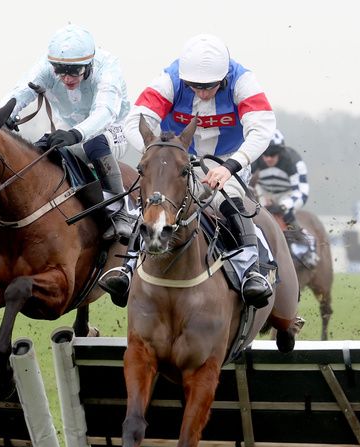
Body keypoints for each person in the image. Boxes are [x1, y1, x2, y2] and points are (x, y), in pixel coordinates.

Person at [98, 33, 276, 308]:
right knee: (156, 199)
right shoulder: (170, 79)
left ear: (224, 76)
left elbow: (262, 128)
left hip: (228, 160)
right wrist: (160, 153)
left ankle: (251, 269)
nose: (202, 93)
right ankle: (127, 268)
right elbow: (136, 121)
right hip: (180, 158)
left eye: (210, 87)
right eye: (194, 86)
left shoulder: (243, 81)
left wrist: (229, 167)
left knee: (227, 198)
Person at [0, 24, 135, 243]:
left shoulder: (107, 68)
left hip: (111, 128)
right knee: (37, 150)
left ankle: (121, 212)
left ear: (89, 63)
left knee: (93, 143)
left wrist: (75, 134)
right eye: (60, 71)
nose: (66, 78)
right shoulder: (45, 66)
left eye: (74, 71)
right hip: (70, 130)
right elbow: (20, 92)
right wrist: (3, 114)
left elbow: (104, 112)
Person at [250, 129, 318, 267]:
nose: (268, 158)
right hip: (264, 192)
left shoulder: (293, 160)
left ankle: (306, 244)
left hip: (287, 193)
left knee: (285, 213)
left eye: (273, 154)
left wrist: (284, 206)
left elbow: (302, 191)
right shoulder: (254, 159)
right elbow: (246, 184)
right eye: (265, 154)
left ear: (281, 152)